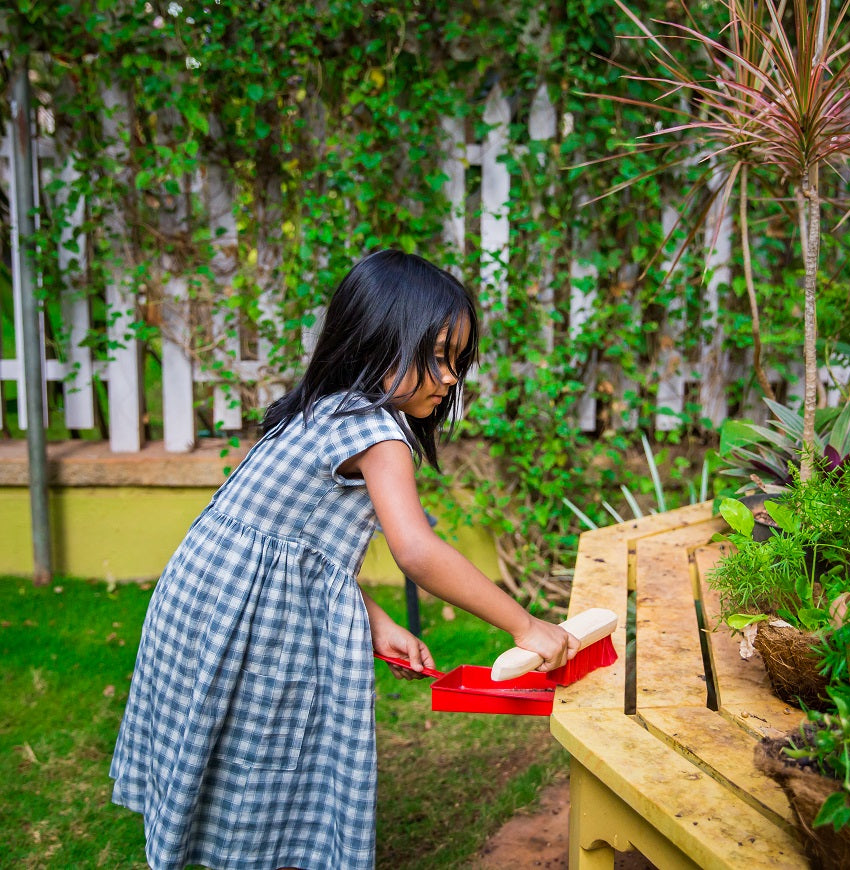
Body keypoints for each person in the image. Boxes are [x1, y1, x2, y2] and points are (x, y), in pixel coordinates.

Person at [109, 249, 576, 870]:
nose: (450, 378)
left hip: (200, 601)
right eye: (437, 355)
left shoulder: (319, 410)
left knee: (213, 743)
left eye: (458, 361)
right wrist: (524, 624)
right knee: (266, 755)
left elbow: (291, 548)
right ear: (377, 339)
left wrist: (375, 621)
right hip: (254, 628)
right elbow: (417, 550)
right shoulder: (377, 435)